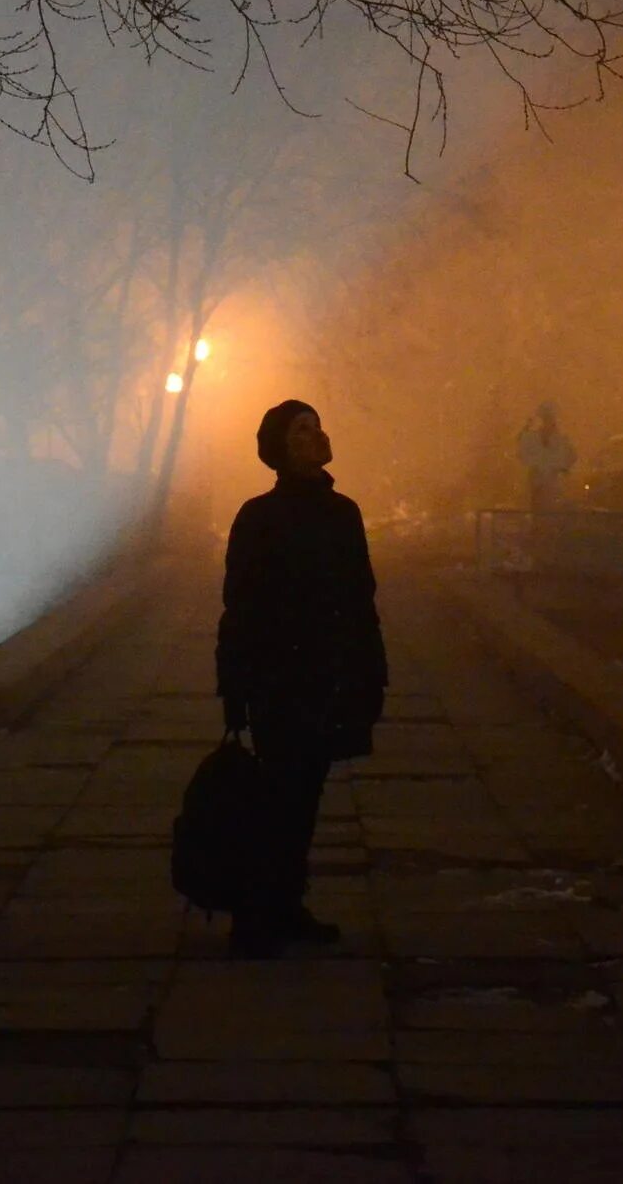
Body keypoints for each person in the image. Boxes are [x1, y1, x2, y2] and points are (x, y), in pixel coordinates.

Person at [215, 399, 387, 958]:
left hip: (327, 676)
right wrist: (236, 687)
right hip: (279, 678)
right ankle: (257, 915)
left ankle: (284, 906)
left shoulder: (344, 512)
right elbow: (239, 606)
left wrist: (369, 670)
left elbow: (361, 598)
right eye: (301, 430)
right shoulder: (259, 516)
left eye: (316, 426)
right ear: (281, 448)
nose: (315, 437)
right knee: (277, 798)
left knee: (304, 795)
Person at [515, 401, 577, 512]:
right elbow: (521, 450)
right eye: (546, 418)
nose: (548, 422)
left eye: (550, 418)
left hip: (553, 486)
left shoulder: (560, 439)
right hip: (539, 486)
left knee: (550, 513)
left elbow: (571, 456)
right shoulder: (535, 438)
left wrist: (561, 469)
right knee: (541, 514)